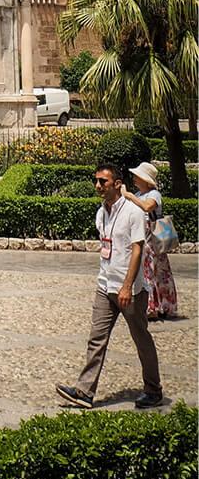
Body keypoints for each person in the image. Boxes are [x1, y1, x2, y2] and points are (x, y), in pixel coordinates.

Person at [55, 160, 162, 409]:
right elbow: (107, 248)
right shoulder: (101, 212)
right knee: (96, 338)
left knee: (141, 339)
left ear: (117, 184)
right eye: (96, 181)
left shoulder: (133, 212)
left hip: (130, 290)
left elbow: (137, 250)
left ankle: (154, 390)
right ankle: (84, 391)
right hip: (105, 285)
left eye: (103, 181)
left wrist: (126, 286)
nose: (98, 185)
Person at [125, 162, 179, 321]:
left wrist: (130, 197)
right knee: (148, 270)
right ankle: (152, 305)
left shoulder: (154, 194)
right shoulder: (138, 193)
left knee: (155, 271)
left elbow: (147, 208)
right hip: (142, 235)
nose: (134, 178)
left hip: (152, 237)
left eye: (137, 176)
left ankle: (157, 306)